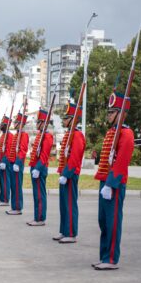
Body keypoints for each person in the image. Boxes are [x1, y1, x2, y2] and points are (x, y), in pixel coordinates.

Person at [92, 91, 135, 270]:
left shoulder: (126, 133)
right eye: (108, 112)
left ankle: (111, 259)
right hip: (105, 182)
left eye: (112, 112)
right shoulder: (112, 132)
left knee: (112, 221)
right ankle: (104, 256)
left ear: (121, 113)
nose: (108, 115)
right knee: (103, 221)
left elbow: (121, 162)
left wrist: (111, 184)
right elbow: (109, 158)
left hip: (114, 184)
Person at [54, 102, 86, 243]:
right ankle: (64, 230)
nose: (64, 121)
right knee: (63, 204)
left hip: (71, 175)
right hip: (65, 174)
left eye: (67, 118)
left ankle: (71, 233)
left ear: (73, 119)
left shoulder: (77, 135)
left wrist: (66, 174)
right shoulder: (70, 134)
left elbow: (74, 158)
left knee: (70, 203)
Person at [27, 109, 53, 226]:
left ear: (44, 123)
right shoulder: (40, 135)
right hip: (35, 168)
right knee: (35, 194)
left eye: (39, 122)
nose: (37, 124)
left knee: (39, 194)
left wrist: (37, 168)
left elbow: (44, 155)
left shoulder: (47, 136)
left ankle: (40, 218)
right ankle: (36, 217)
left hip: (40, 168)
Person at [5, 113, 29, 215]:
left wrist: (18, 163)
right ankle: (14, 207)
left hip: (17, 165)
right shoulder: (17, 135)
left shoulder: (24, 135)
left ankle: (18, 208)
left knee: (17, 186)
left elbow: (23, 150)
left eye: (16, 122)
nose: (14, 124)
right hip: (12, 163)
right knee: (13, 186)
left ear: (20, 124)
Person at [0, 116, 12, 207]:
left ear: (6, 125)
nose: (0, 126)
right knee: (2, 181)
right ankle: (2, 199)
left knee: (5, 180)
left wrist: (4, 161)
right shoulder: (3, 135)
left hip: (6, 162)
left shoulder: (9, 135)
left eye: (2, 124)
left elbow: (8, 150)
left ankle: (5, 199)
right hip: (1, 161)